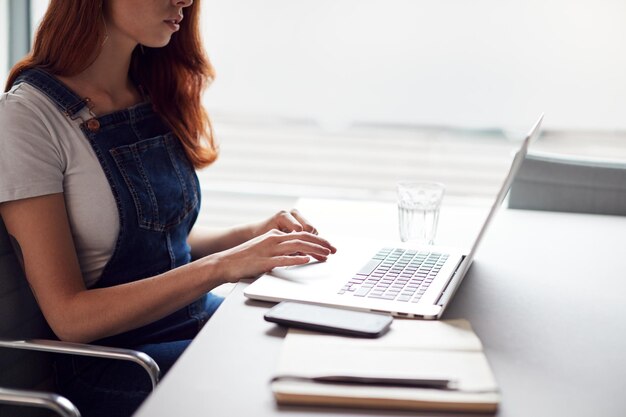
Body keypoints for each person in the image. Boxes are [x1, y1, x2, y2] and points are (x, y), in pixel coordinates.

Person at [0, 1, 336, 416]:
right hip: (122, 365)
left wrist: (247, 238)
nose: (186, 1)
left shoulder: (148, 87)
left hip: (193, 323)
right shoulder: (27, 117)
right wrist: (223, 266)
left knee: (325, 350)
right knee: (292, 386)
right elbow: (70, 317)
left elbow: (164, 243)